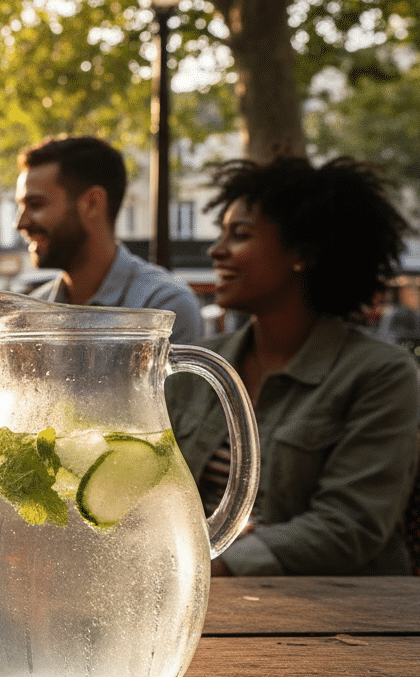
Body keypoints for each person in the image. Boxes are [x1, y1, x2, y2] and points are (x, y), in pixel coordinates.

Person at [166, 156, 419, 576]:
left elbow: (350, 525)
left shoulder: (381, 375)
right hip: (196, 596)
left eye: (240, 234)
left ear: (302, 252)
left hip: (335, 618)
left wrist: (209, 565)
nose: (216, 250)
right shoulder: (196, 367)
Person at [17, 135, 203, 343]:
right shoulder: (32, 314)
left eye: (36, 205)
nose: (21, 223)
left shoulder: (164, 307)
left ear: (93, 203)